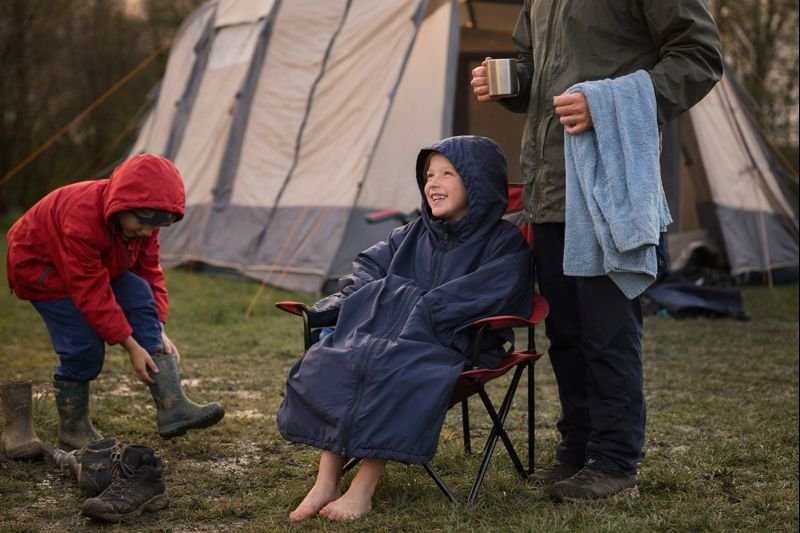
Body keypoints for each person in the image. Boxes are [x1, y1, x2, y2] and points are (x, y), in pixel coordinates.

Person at [470, 1, 723, 501]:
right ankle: (577, 449)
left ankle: (615, 460)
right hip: (550, 188)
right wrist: (510, 81)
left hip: (607, 187)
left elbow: (700, 56)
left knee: (607, 332)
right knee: (565, 332)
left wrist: (606, 104)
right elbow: (534, 67)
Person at [277, 135, 533, 521]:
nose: (434, 182)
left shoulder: (503, 244)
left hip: (457, 342)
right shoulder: (410, 234)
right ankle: (326, 480)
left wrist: (414, 306)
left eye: (448, 173)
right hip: (388, 333)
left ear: (477, 182)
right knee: (335, 355)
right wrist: (330, 309)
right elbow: (367, 272)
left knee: (392, 366)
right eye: (429, 174)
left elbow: (486, 294)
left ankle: (362, 488)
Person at [5, 153, 224, 450]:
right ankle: (73, 427)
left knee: (139, 292)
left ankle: (172, 406)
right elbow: (91, 291)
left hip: (97, 263)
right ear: (123, 206)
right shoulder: (81, 218)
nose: (147, 233)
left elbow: (149, 273)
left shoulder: (145, 220)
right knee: (83, 342)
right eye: (143, 223)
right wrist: (130, 345)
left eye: (156, 226)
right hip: (41, 268)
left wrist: (158, 329)